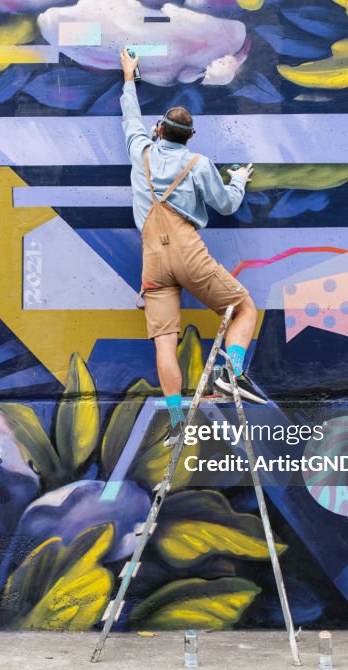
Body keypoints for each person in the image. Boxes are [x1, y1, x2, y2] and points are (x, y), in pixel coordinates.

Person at [118, 48, 267, 437]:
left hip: (152, 260)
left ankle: (176, 420)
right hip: (189, 253)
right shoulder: (197, 163)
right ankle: (229, 373)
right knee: (243, 308)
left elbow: (130, 118)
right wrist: (237, 180)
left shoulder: (141, 152)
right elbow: (226, 205)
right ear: (190, 137)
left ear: (159, 130)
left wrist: (129, 76)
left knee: (164, 343)